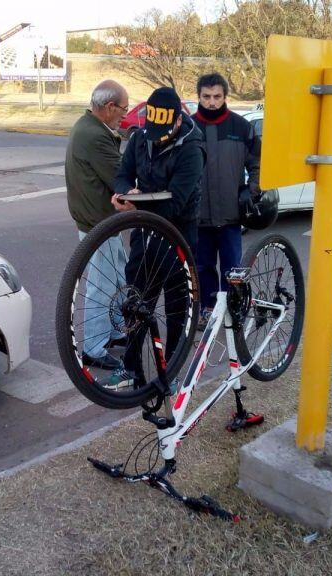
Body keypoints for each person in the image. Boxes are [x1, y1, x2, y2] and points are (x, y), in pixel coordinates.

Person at [111, 87, 205, 388]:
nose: (156, 137)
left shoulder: (193, 148)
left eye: (162, 131)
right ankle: (131, 367)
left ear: (178, 121)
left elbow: (176, 202)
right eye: (152, 130)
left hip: (179, 234)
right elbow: (122, 174)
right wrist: (124, 192)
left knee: (177, 306)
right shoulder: (140, 138)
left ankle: (173, 371)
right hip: (144, 232)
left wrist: (138, 203)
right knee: (137, 300)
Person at [65, 80, 130, 371]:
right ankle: (92, 347)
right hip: (98, 223)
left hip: (98, 221)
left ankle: (114, 331)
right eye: (123, 110)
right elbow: (121, 178)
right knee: (102, 286)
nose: (124, 116)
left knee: (117, 278)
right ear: (109, 107)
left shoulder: (87, 126)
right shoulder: (95, 136)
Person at [192, 72, 261, 328]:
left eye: (217, 96)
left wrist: (252, 190)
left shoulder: (241, 127)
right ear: (198, 96)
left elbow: (258, 163)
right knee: (202, 267)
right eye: (206, 96)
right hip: (199, 218)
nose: (211, 102)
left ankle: (234, 310)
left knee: (233, 271)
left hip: (232, 217)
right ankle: (208, 310)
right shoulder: (188, 128)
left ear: (225, 97)